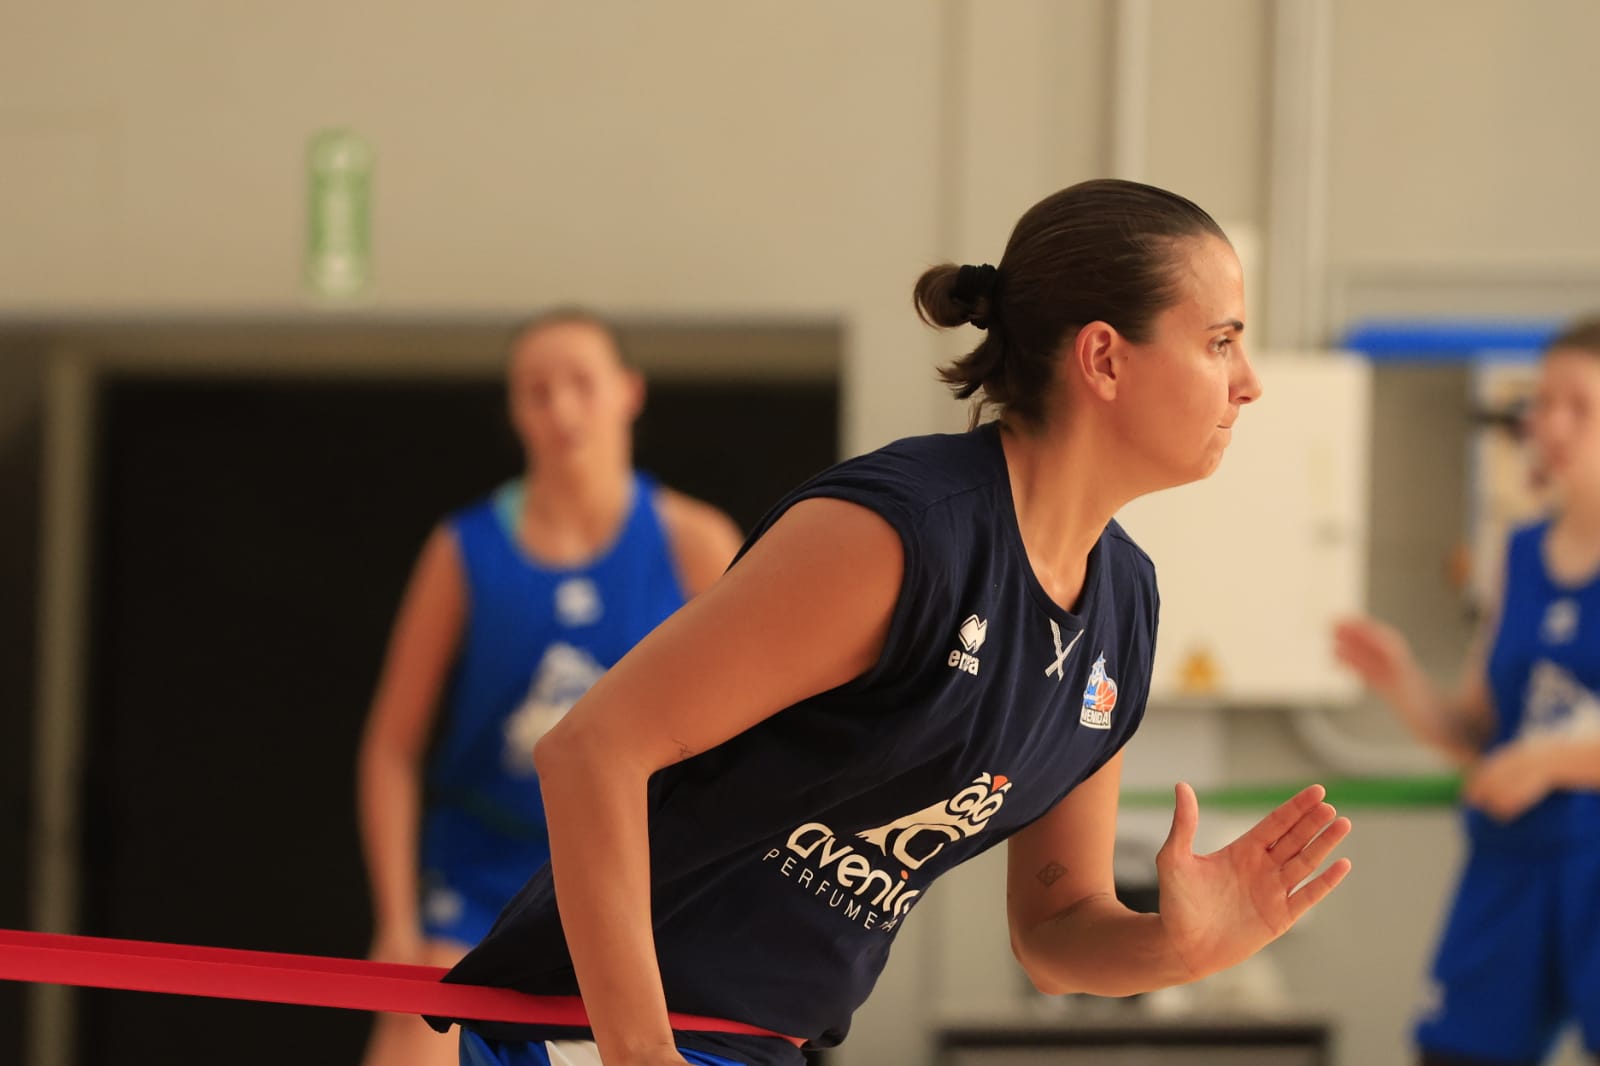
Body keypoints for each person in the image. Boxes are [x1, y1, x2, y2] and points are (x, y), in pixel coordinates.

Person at [431, 178, 1354, 1066]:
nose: (1249, 384)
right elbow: (591, 751)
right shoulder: (902, 535)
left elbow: (1056, 931)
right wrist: (640, 1053)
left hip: (751, 1040)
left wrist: (1183, 949)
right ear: (1105, 357)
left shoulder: (1125, 609)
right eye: (1222, 342)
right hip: (597, 1027)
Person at [357, 310, 744, 1066]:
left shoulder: (695, 542)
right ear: (513, 409)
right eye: (536, 390)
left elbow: (759, 738)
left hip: (639, 880)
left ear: (628, 393)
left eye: (580, 384)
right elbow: (390, 749)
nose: (561, 408)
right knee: (411, 1044)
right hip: (480, 885)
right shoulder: (461, 548)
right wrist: (393, 923)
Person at [1336, 319, 1600, 1066]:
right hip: (1514, 861)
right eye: (1544, 401)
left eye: (1578, 404)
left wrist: (1552, 763)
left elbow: (1533, 755)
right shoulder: (1517, 554)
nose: (1549, 423)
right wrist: (1402, 681)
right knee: (1456, 1052)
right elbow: (1479, 734)